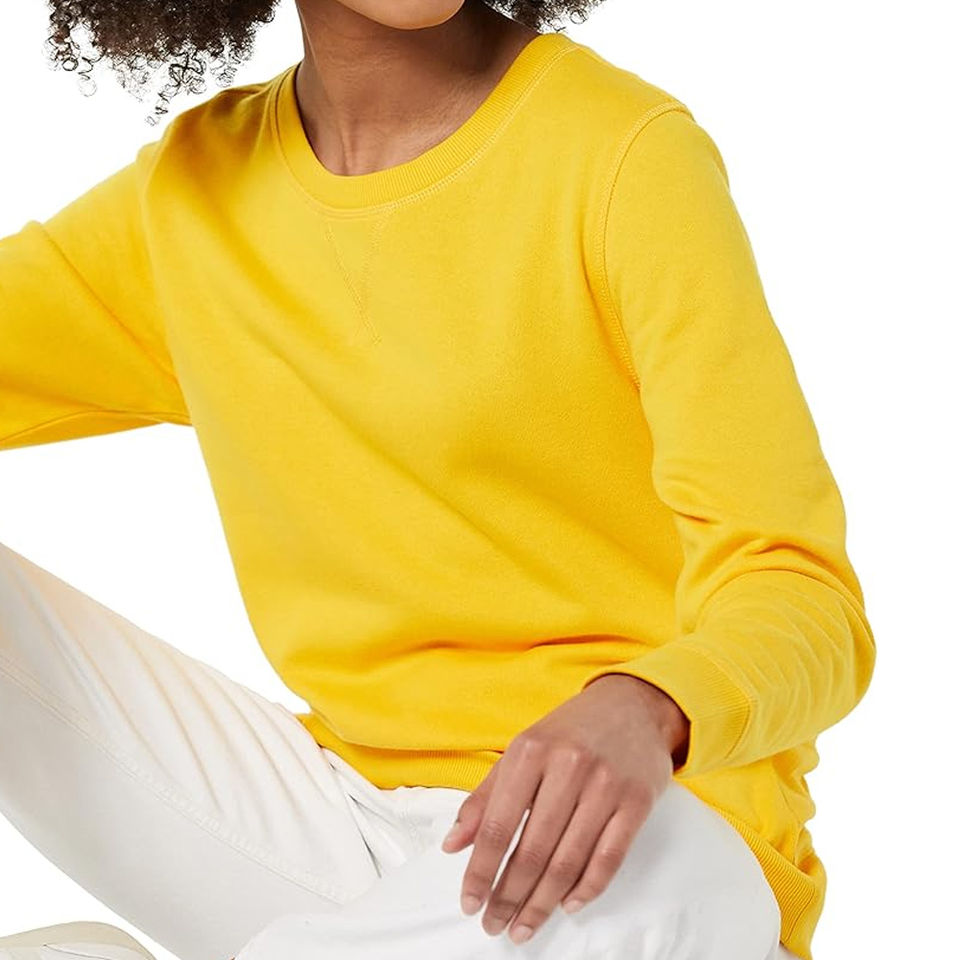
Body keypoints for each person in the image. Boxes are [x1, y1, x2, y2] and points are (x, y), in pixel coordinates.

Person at [0, 1, 876, 959]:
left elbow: (802, 592)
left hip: (636, 833)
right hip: (341, 824)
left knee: (668, 859)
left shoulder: (623, 154)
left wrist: (647, 705)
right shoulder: (192, 195)